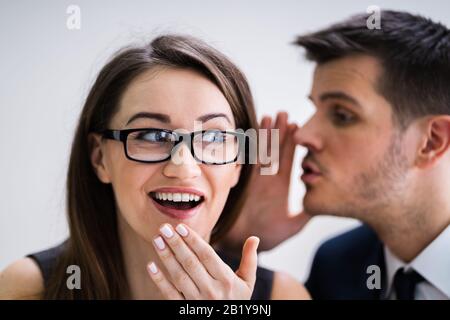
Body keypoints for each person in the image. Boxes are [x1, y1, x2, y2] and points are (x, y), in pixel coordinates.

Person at [0, 35, 309, 300]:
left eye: (213, 136)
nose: (183, 167)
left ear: (238, 164)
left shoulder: (283, 294)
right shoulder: (29, 287)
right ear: (99, 158)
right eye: (152, 135)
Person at [222, 10, 450, 299]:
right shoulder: (336, 265)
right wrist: (239, 245)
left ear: (431, 141)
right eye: (315, 109)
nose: (303, 134)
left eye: (342, 115)